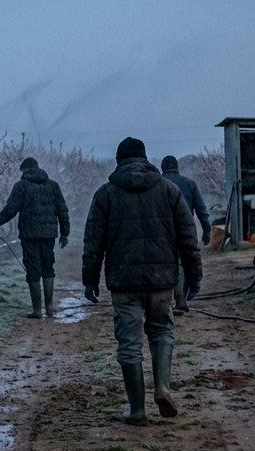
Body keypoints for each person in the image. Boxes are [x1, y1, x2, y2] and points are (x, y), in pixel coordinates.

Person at [83, 138, 203, 425]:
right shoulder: (169, 191)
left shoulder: (106, 194)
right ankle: (162, 387)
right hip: (162, 280)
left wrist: (89, 280)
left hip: (124, 282)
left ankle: (137, 409)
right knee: (162, 330)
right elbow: (188, 239)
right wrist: (194, 276)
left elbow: (93, 243)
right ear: (145, 158)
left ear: (118, 161)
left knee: (129, 342)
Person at [0, 157, 71, 319]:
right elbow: (62, 210)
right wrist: (65, 233)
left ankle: (36, 310)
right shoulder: (52, 185)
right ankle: (49, 306)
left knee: (33, 269)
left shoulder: (21, 187)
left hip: (30, 235)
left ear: (25, 170)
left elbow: (11, 209)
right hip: (49, 234)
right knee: (48, 267)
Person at [160, 155, 212, 315]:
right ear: (177, 167)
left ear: (162, 168)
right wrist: (207, 231)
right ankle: (181, 300)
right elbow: (202, 210)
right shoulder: (190, 184)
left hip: (163, 231)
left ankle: (163, 301)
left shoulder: (157, 184)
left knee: (166, 265)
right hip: (185, 230)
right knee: (182, 265)